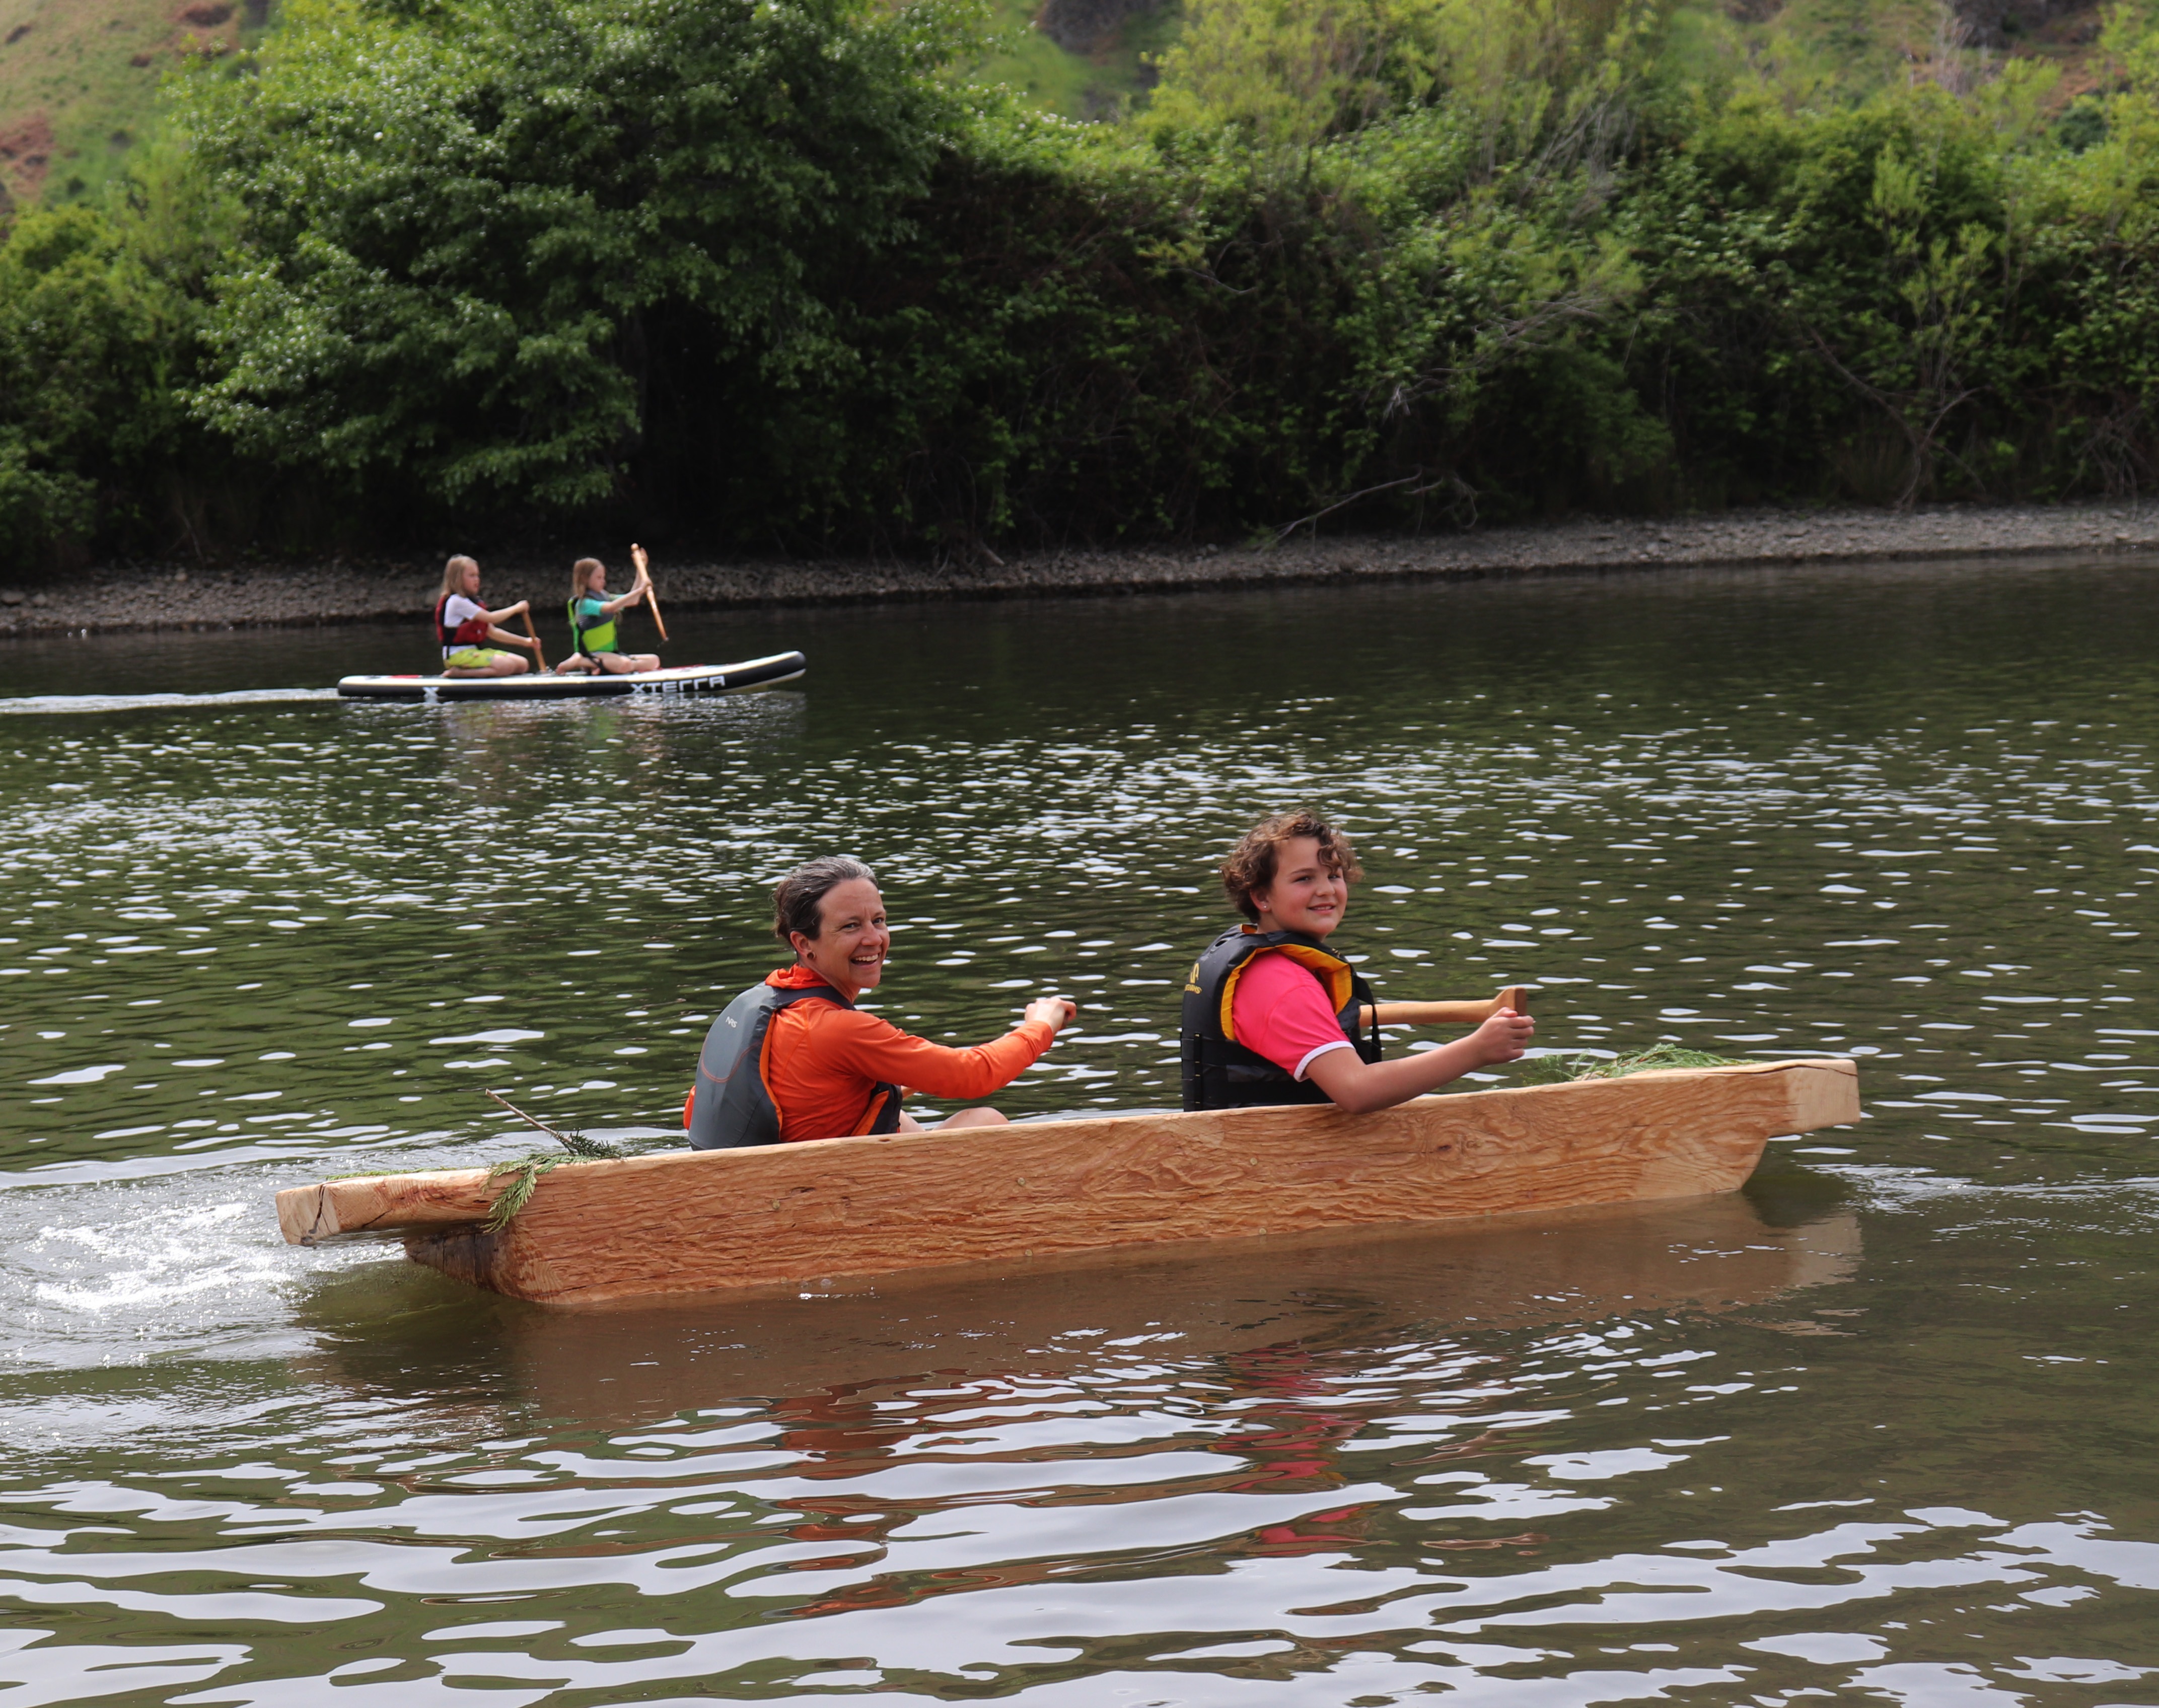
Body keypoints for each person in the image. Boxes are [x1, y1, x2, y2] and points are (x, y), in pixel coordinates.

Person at [686, 856, 1077, 1148]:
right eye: (851, 926)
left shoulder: (761, 1005)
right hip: (804, 1199)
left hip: (757, 1180)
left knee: (894, 1112)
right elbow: (974, 1076)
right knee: (986, 1121)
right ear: (804, 945)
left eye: (879, 920)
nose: (873, 939)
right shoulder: (839, 1029)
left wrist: (881, 1088)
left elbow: (697, 1112)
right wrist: (1040, 1026)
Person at [1181, 810, 1533, 1113]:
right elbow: (1356, 1090)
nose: (1326, 890)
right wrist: (1478, 1049)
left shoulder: (1244, 951)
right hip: (1275, 1175)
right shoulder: (1282, 984)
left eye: (1333, 875)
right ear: (1261, 897)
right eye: (1304, 879)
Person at [553, 550, 661, 675]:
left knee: (654, 660)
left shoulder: (606, 597)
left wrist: (640, 569)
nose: (603, 581)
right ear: (584, 579)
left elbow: (633, 601)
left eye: (603, 577)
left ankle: (604, 667)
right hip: (592, 654)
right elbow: (611, 608)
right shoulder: (584, 604)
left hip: (609, 655)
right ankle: (581, 661)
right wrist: (641, 590)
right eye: (599, 578)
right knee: (625, 664)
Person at [433, 555, 537, 678]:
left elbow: (493, 632)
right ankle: (459, 673)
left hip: (474, 652)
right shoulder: (457, 601)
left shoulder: (472, 602)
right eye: (471, 576)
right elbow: (492, 618)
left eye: (477, 575)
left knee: (522, 665)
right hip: (457, 656)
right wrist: (516, 608)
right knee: (506, 666)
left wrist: (526, 642)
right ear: (458, 579)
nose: (477, 580)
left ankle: (477, 671)